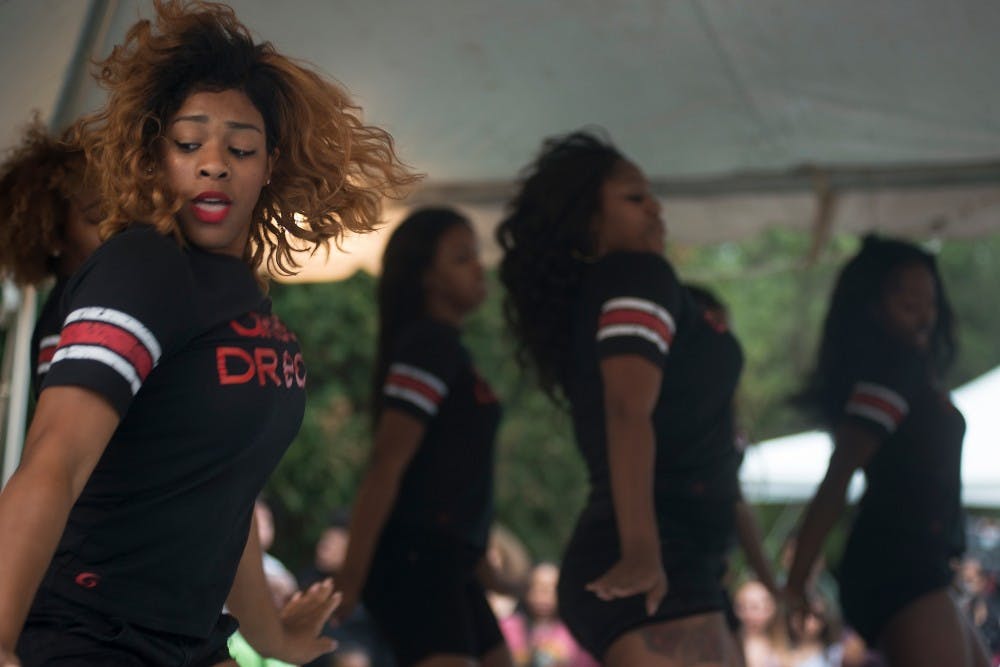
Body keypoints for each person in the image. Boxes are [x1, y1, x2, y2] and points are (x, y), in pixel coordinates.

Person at [0, 1, 413, 664]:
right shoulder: (141, 266)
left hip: (188, 635)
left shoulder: (246, 296)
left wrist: (272, 636)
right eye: (189, 144)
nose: (214, 163)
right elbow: (55, 455)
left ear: (270, 163)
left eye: (240, 147)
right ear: (156, 157)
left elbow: (227, 499)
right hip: (90, 629)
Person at [496, 131, 744, 665]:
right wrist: (641, 550)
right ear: (590, 222)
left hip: (670, 555)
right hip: (652, 552)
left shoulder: (619, 290)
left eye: (651, 194)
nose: (655, 207)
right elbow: (627, 411)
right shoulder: (638, 273)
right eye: (634, 197)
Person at [786, 236, 990, 666]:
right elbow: (837, 478)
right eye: (908, 301)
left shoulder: (911, 375)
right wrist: (798, 579)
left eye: (929, 302)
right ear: (873, 306)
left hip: (923, 564)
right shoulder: (889, 376)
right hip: (898, 564)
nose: (923, 316)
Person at [335, 207, 513, 667]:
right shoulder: (428, 346)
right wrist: (350, 580)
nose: (478, 266)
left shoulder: (448, 349)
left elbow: (454, 470)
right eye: (461, 258)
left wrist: (481, 561)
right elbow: (387, 463)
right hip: (416, 556)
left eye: (476, 255)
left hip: (447, 558)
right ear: (426, 277)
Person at [0, 118, 103, 394]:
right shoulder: (62, 324)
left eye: (124, 211)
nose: (117, 226)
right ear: (54, 238)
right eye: (98, 217)